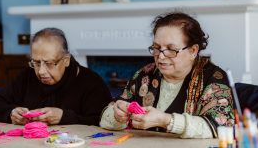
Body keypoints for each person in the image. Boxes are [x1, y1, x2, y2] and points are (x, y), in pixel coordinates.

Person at [100, 12, 234, 138]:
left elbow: (222, 127)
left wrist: (166, 121)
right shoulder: (145, 74)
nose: (161, 57)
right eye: (157, 48)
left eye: (171, 49)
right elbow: (106, 116)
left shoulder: (214, 78)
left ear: (193, 51)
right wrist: (117, 116)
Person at [0, 28, 112, 126]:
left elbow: (104, 120)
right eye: (37, 63)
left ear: (66, 60)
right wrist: (11, 113)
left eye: (49, 63)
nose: (41, 71)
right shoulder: (28, 75)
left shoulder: (91, 82)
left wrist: (64, 117)